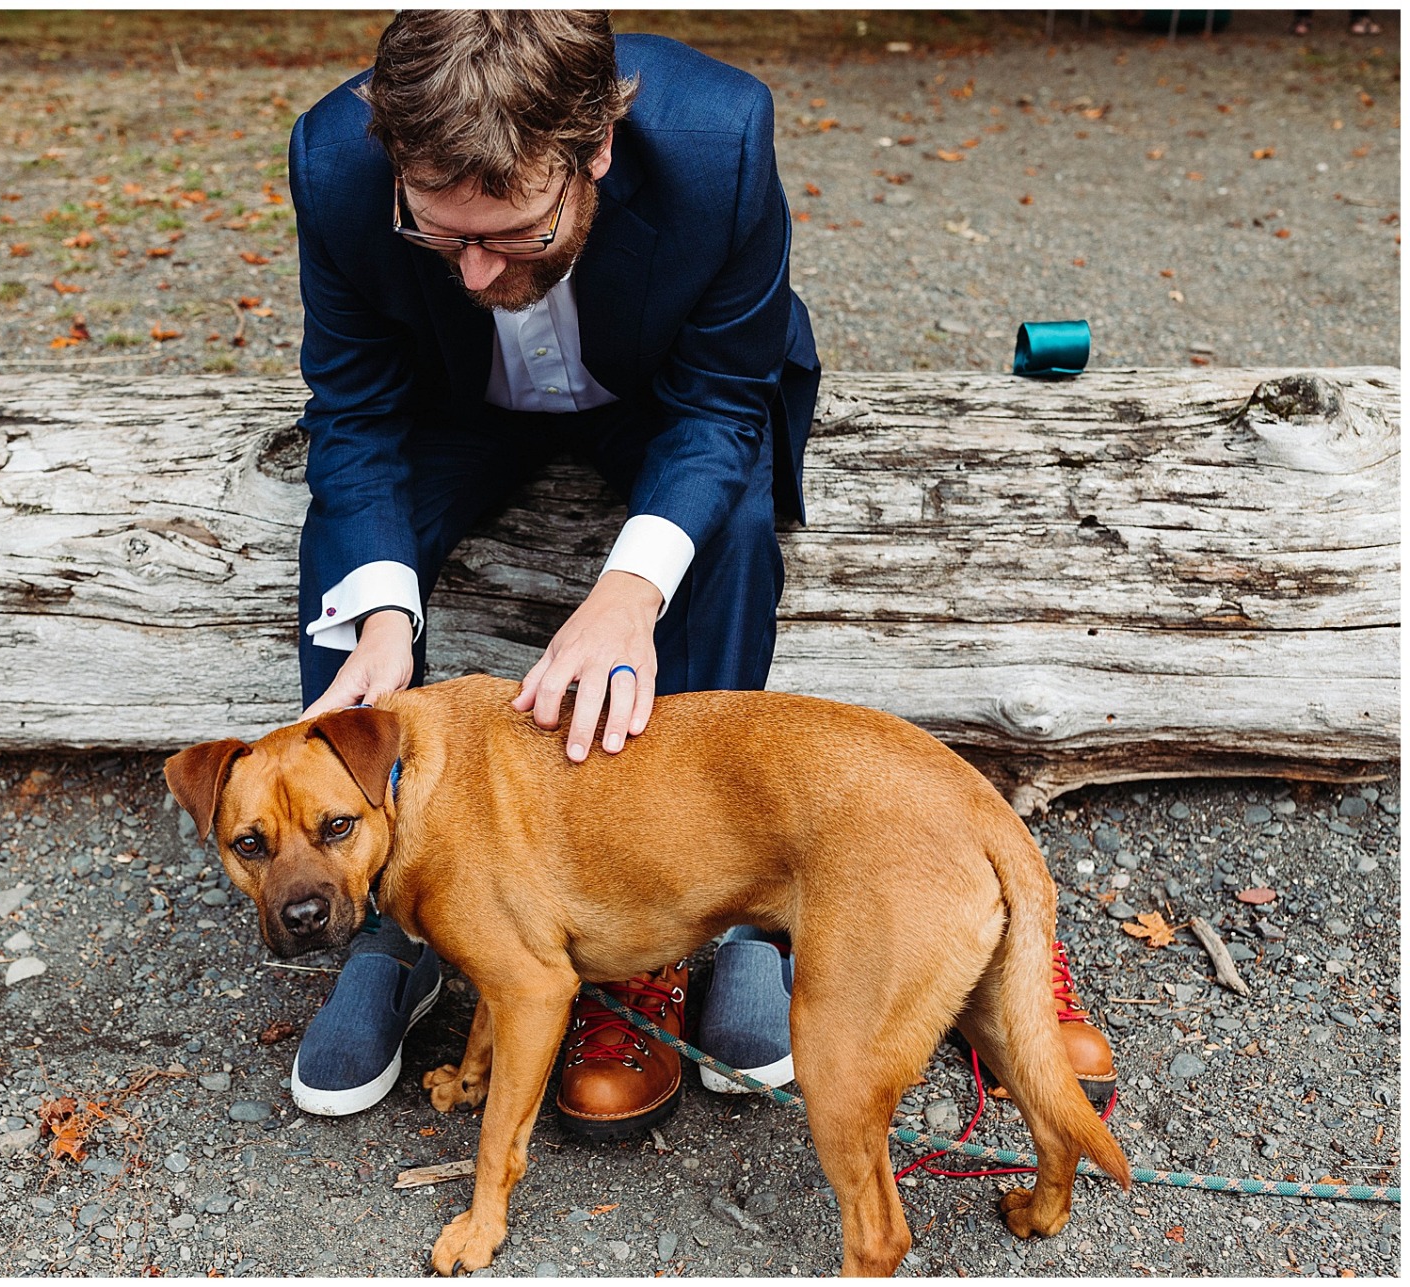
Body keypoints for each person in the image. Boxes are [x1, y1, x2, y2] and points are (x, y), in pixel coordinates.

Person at [281, 10, 1114, 1138]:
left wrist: (626, 595)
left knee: (718, 544)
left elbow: (723, 402)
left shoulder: (721, 133)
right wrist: (383, 620)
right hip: (455, 406)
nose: (474, 269)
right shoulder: (337, 156)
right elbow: (355, 415)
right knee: (346, 575)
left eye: (513, 232)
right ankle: (388, 919)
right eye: (437, 233)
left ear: (596, 153)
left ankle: (701, 925)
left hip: (667, 398)